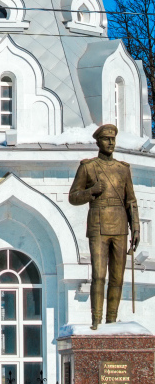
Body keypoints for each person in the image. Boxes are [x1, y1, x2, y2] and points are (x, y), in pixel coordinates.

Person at [68, 123, 140, 329]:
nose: (110, 142)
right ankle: (96, 321)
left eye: (113, 139)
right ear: (98, 142)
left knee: (117, 277)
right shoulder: (88, 167)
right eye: (106, 139)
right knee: (99, 275)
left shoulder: (123, 169)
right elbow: (73, 196)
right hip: (98, 225)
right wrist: (91, 191)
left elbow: (131, 201)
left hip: (119, 226)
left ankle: (111, 321)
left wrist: (135, 227)